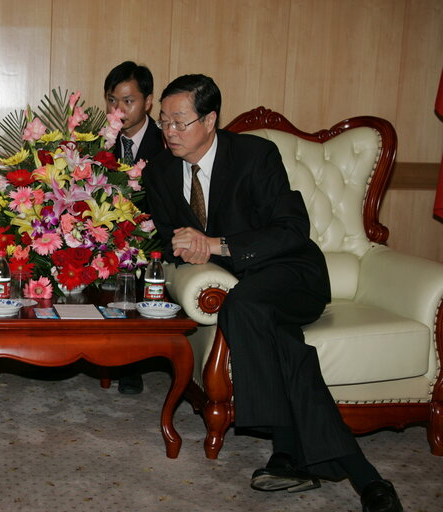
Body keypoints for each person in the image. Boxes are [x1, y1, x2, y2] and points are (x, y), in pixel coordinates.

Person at [142, 74, 403, 512]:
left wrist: (217, 245)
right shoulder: (161, 172)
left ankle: (283, 438)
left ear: (209, 120)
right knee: (284, 346)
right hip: (247, 289)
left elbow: (291, 230)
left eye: (180, 121)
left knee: (243, 306)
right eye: (164, 121)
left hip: (292, 273)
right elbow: (166, 237)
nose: (169, 131)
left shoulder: (254, 155)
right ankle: (356, 475)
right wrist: (180, 246)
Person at [104, 61, 165, 395]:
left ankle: (130, 362)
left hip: (150, 233)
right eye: (113, 100)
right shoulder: (99, 142)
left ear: (148, 101)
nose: (119, 109)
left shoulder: (166, 141)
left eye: (128, 101)